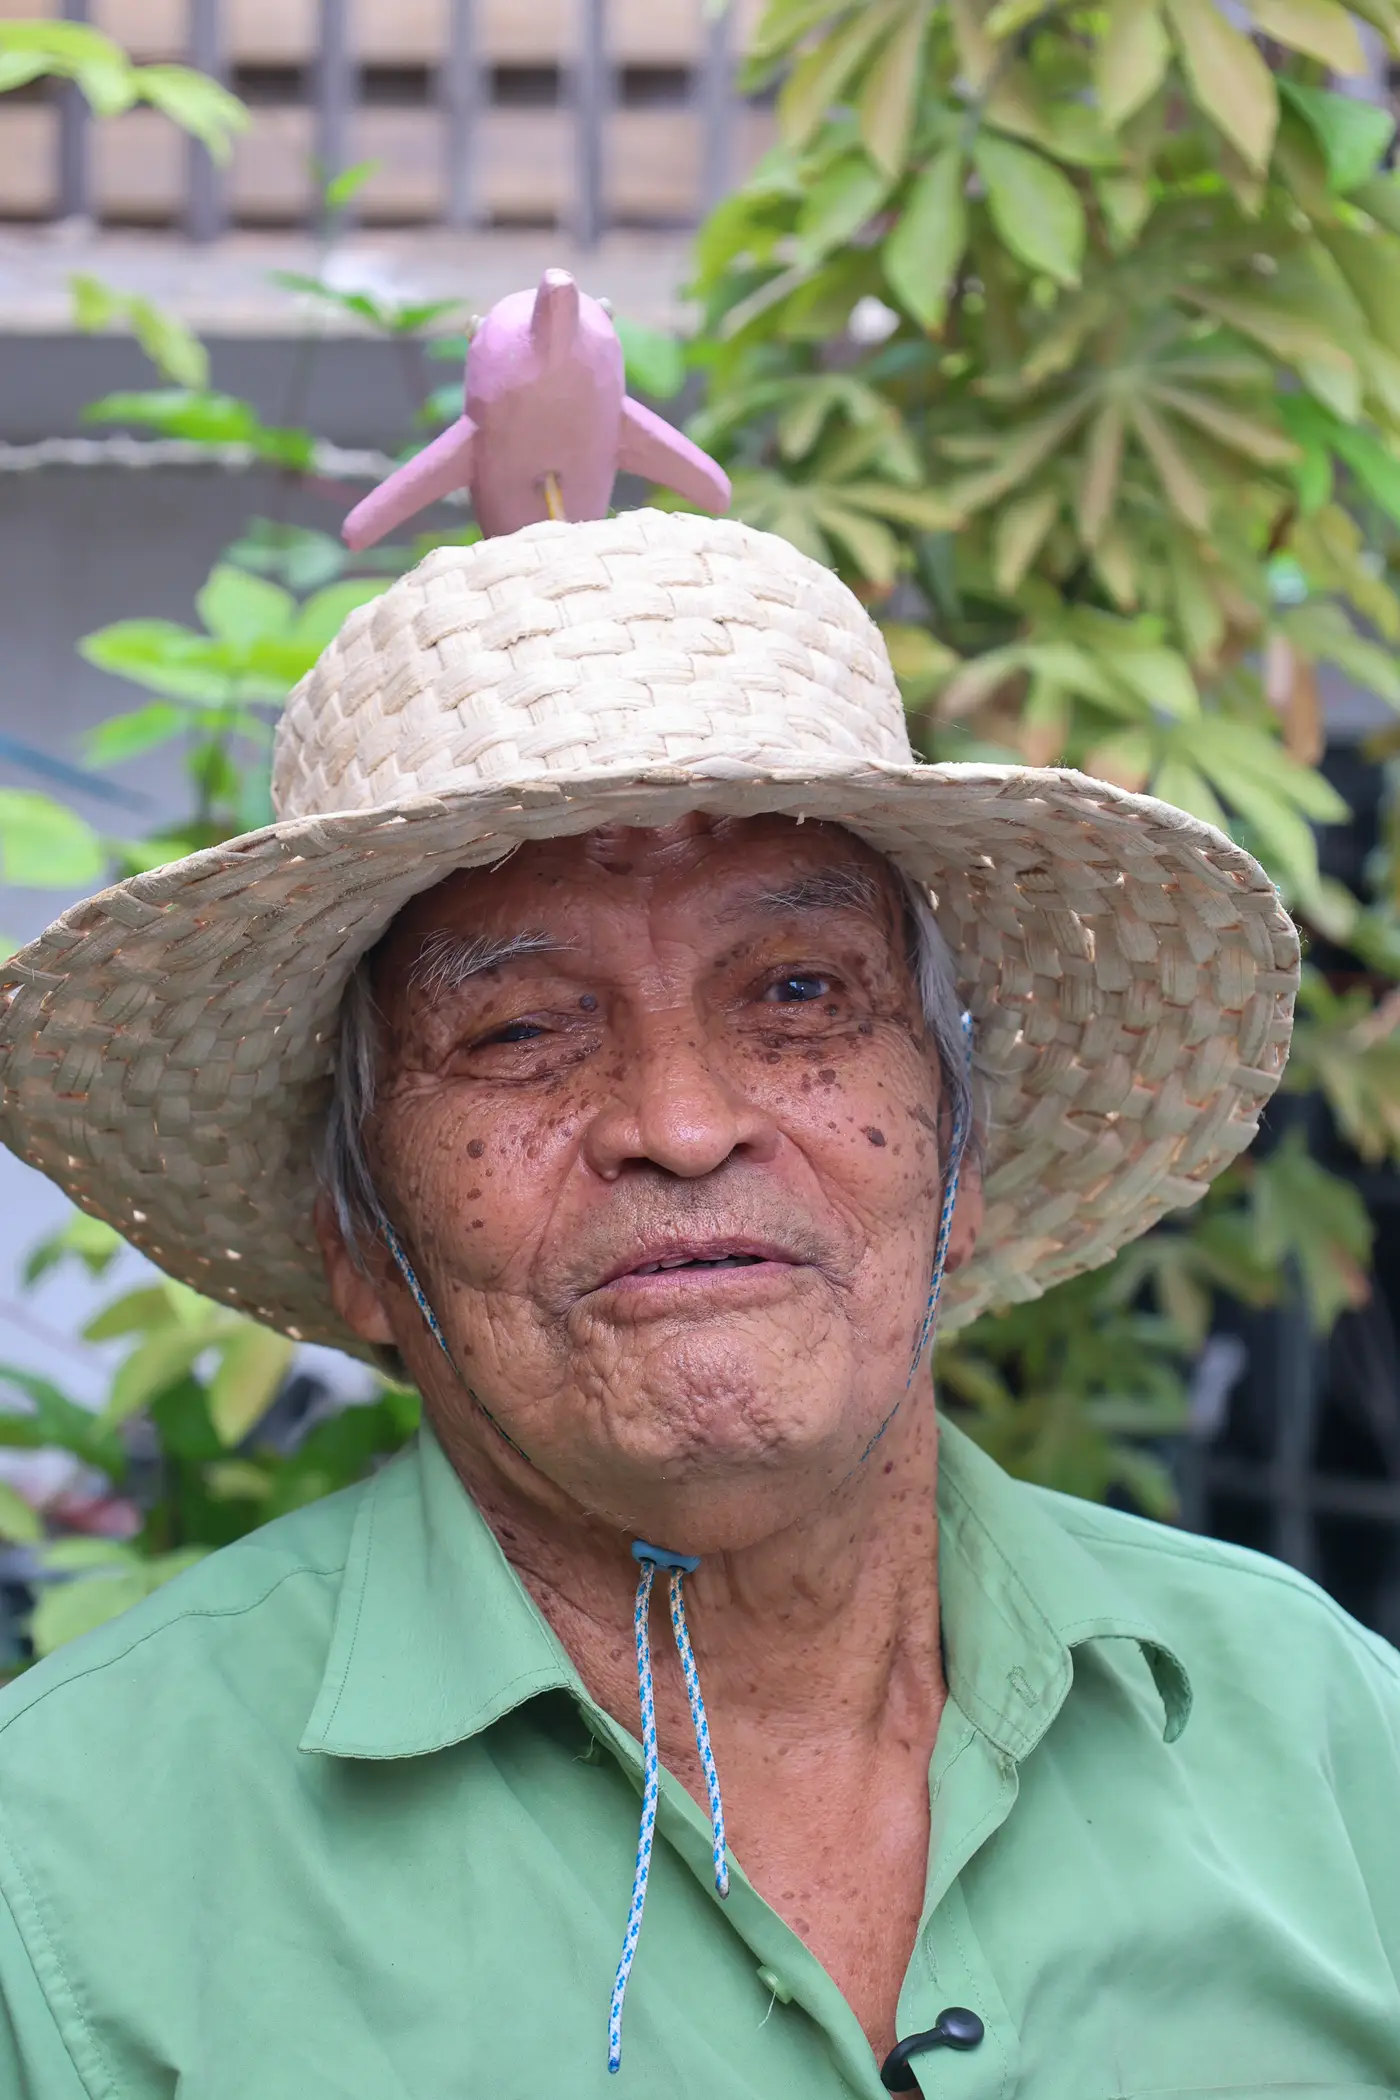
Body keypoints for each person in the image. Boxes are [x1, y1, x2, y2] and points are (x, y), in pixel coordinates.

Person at [0, 507, 1393, 2100]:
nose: (679, 1122)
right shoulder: (67, 1867)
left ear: (963, 1165)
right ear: (359, 1235)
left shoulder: (1318, 1731)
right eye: (521, 1030)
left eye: (800, 993)